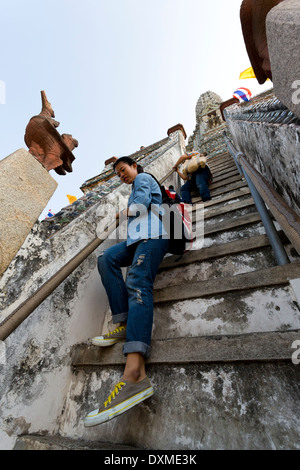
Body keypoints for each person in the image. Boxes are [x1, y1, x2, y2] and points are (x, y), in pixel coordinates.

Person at [84, 157, 169, 428]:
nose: (122, 175)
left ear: (135, 167)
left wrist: (123, 213)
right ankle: (122, 321)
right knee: (105, 259)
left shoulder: (144, 179)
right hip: (136, 241)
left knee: (137, 280)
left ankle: (134, 373)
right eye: (118, 174)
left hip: (153, 236)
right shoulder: (133, 187)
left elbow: (142, 206)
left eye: (124, 170)